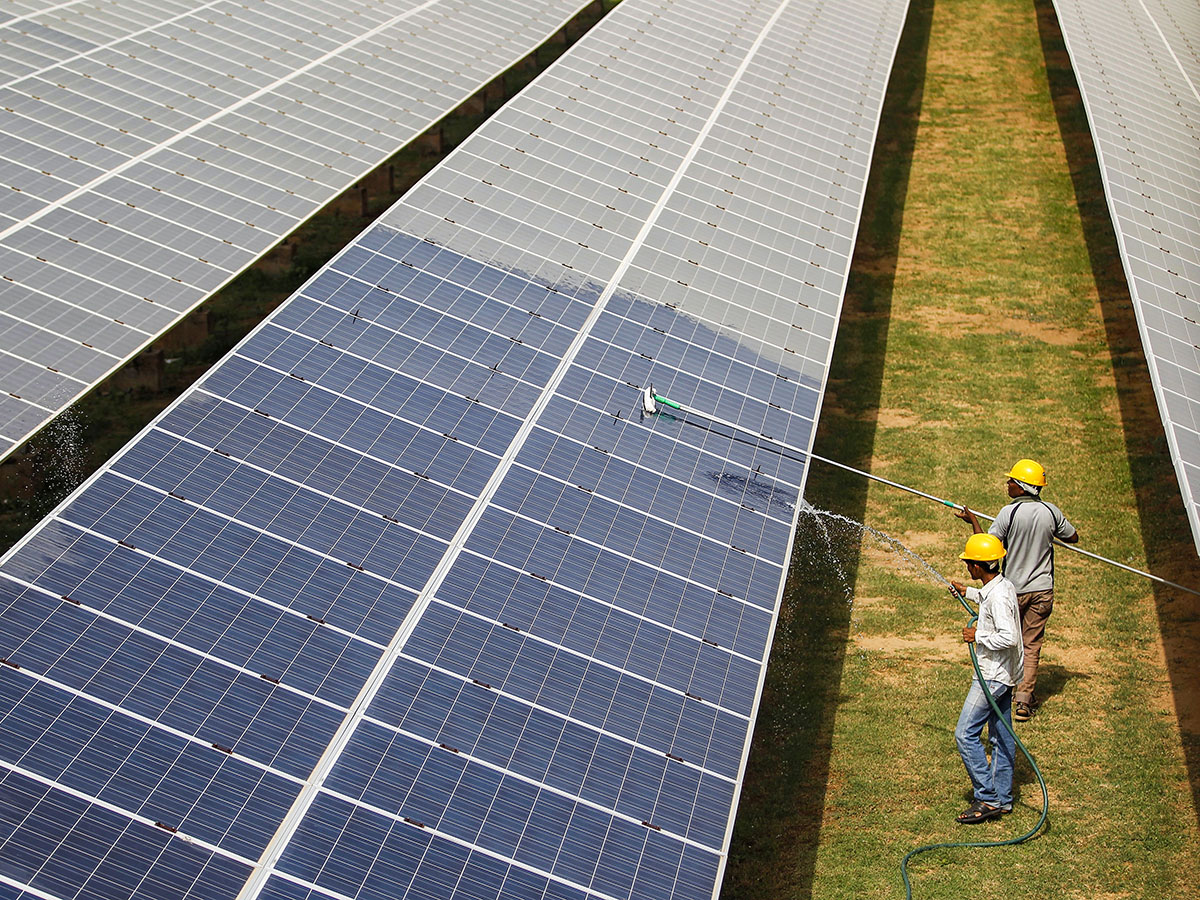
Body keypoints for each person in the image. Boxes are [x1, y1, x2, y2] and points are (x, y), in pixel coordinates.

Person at [955, 458, 1078, 721]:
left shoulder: (1008, 514)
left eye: (1011, 480)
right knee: (1031, 645)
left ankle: (1004, 690)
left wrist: (973, 521)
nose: (1007, 484)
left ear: (1022, 487)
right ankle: (1023, 701)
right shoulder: (1050, 512)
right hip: (1043, 590)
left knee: (1011, 640)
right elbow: (1073, 537)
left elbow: (987, 547)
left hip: (1013, 590)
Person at [949, 533, 1023, 823]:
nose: (967, 566)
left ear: (978, 567)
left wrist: (976, 635)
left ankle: (987, 797)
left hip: (991, 678)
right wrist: (966, 591)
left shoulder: (999, 598)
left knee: (965, 734)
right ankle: (1003, 799)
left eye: (969, 563)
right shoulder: (1001, 586)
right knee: (1002, 737)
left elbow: (1010, 636)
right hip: (1005, 677)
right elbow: (987, 598)